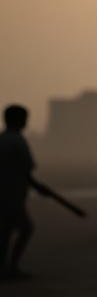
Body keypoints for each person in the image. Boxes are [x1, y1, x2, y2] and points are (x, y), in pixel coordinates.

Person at [1, 105, 39, 278]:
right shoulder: (17, 140)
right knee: (25, 228)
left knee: (6, 231)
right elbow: (27, 167)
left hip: (6, 193)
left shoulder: (3, 139)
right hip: (12, 195)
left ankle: (6, 268)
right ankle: (11, 268)